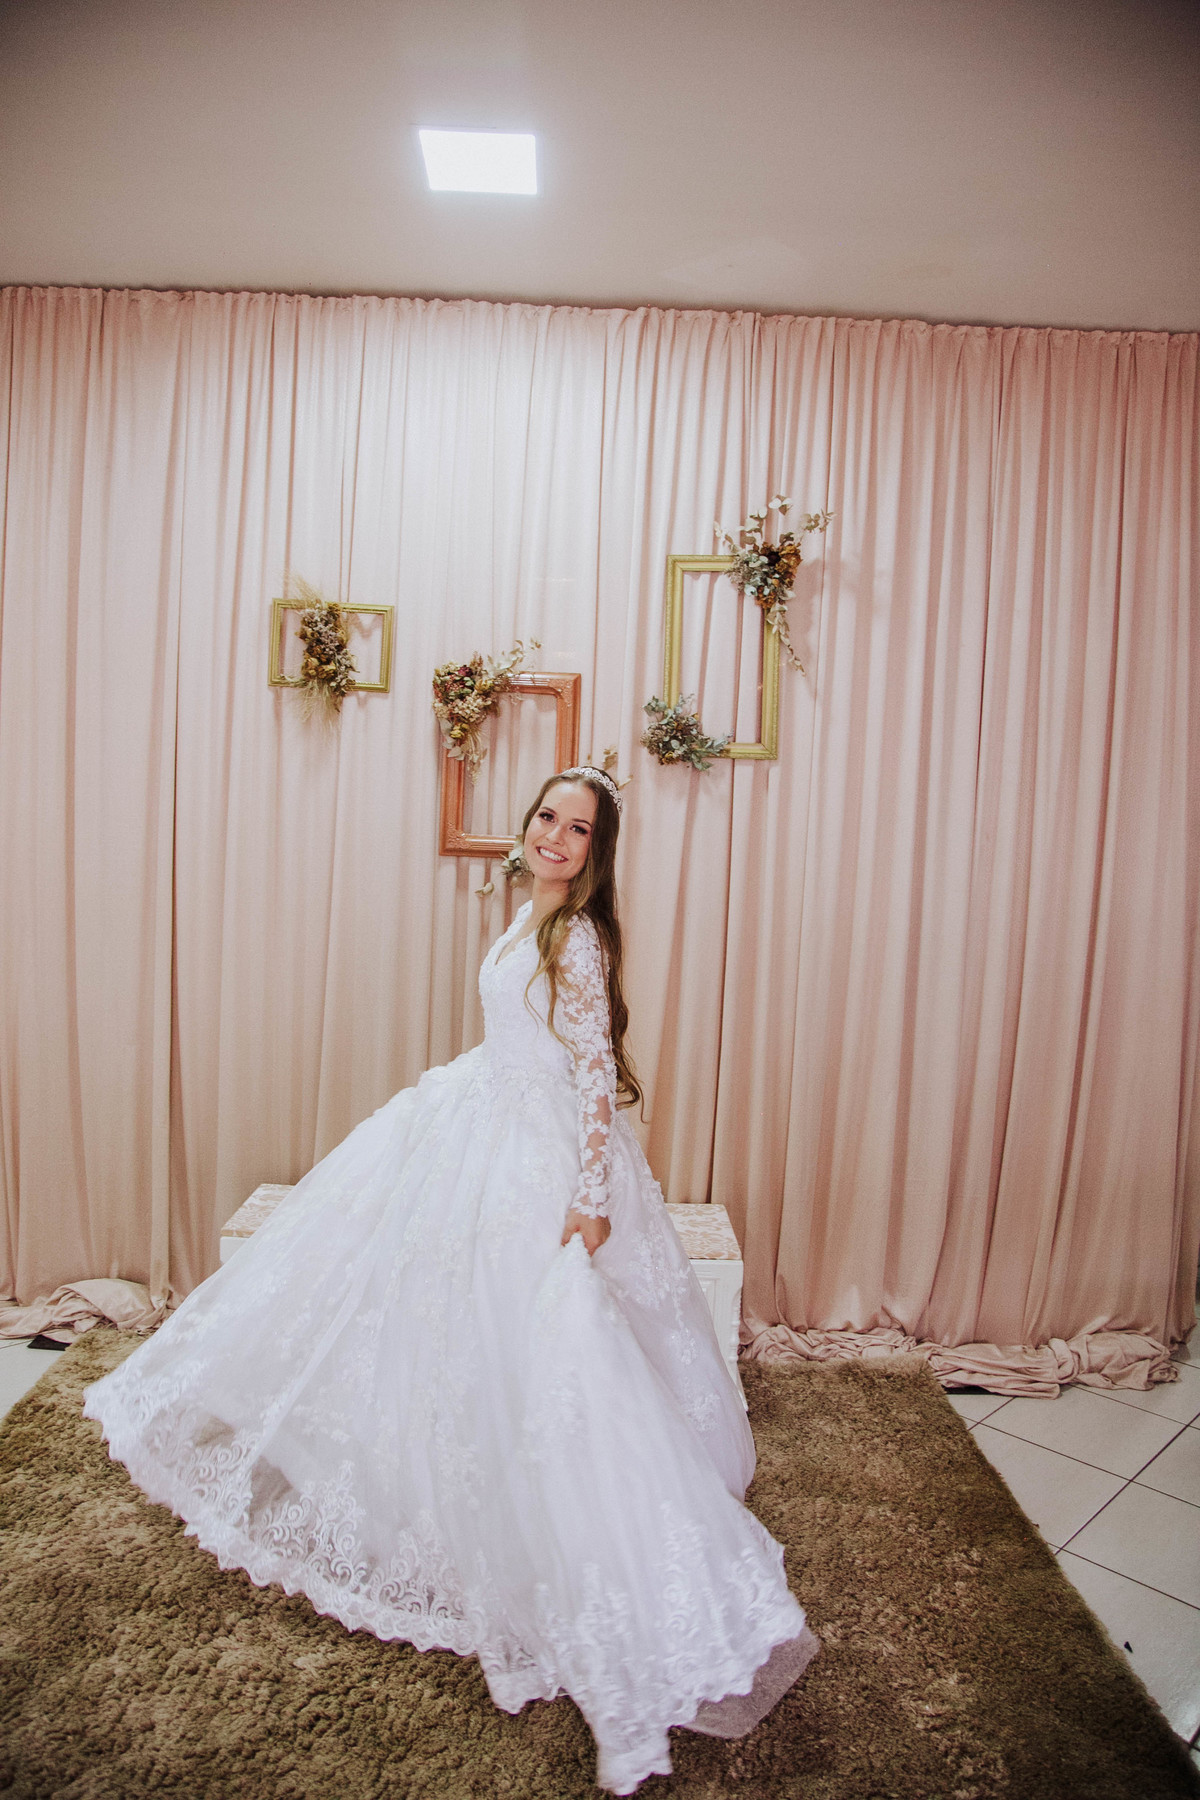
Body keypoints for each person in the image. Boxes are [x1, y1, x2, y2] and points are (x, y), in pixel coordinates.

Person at [84, 766, 817, 1794]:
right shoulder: (531, 913)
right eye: (547, 817)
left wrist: (592, 1196)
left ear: (597, 850)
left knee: (551, 1342)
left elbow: (593, 1072)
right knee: (420, 1303)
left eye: (578, 828)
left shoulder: (579, 936)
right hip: (477, 1114)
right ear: (529, 827)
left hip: (539, 1152)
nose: (556, 835)